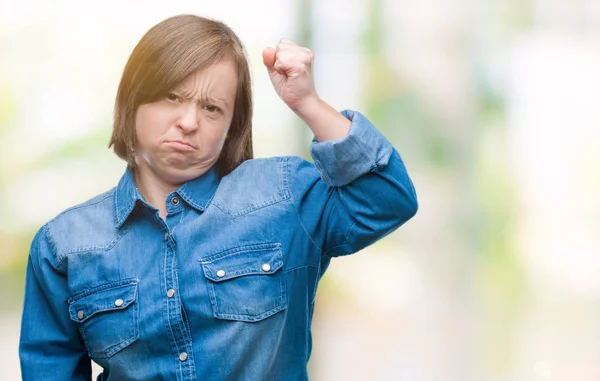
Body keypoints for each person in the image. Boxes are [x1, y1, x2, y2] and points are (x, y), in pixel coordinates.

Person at [19, 14, 418, 381]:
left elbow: (388, 198)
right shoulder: (65, 246)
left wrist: (308, 103)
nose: (189, 122)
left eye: (212, 108)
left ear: (232, 126)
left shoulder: (284, 196)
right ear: (133, 99)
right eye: (172, 97)